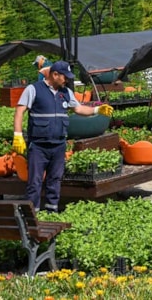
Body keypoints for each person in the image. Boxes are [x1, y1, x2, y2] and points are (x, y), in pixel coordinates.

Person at [12, 60, 113, 212]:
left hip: (59, 145)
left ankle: (52, 212)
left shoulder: (66, 92)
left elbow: (78, 109)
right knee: (35, 182)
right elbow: (20, 111)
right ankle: (32, 216)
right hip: (39, 146)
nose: (67, 79)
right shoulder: (33, 89)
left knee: (55, 180)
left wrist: (97, 111)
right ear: (55, 74)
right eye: (64, 76)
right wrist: (18, 135)